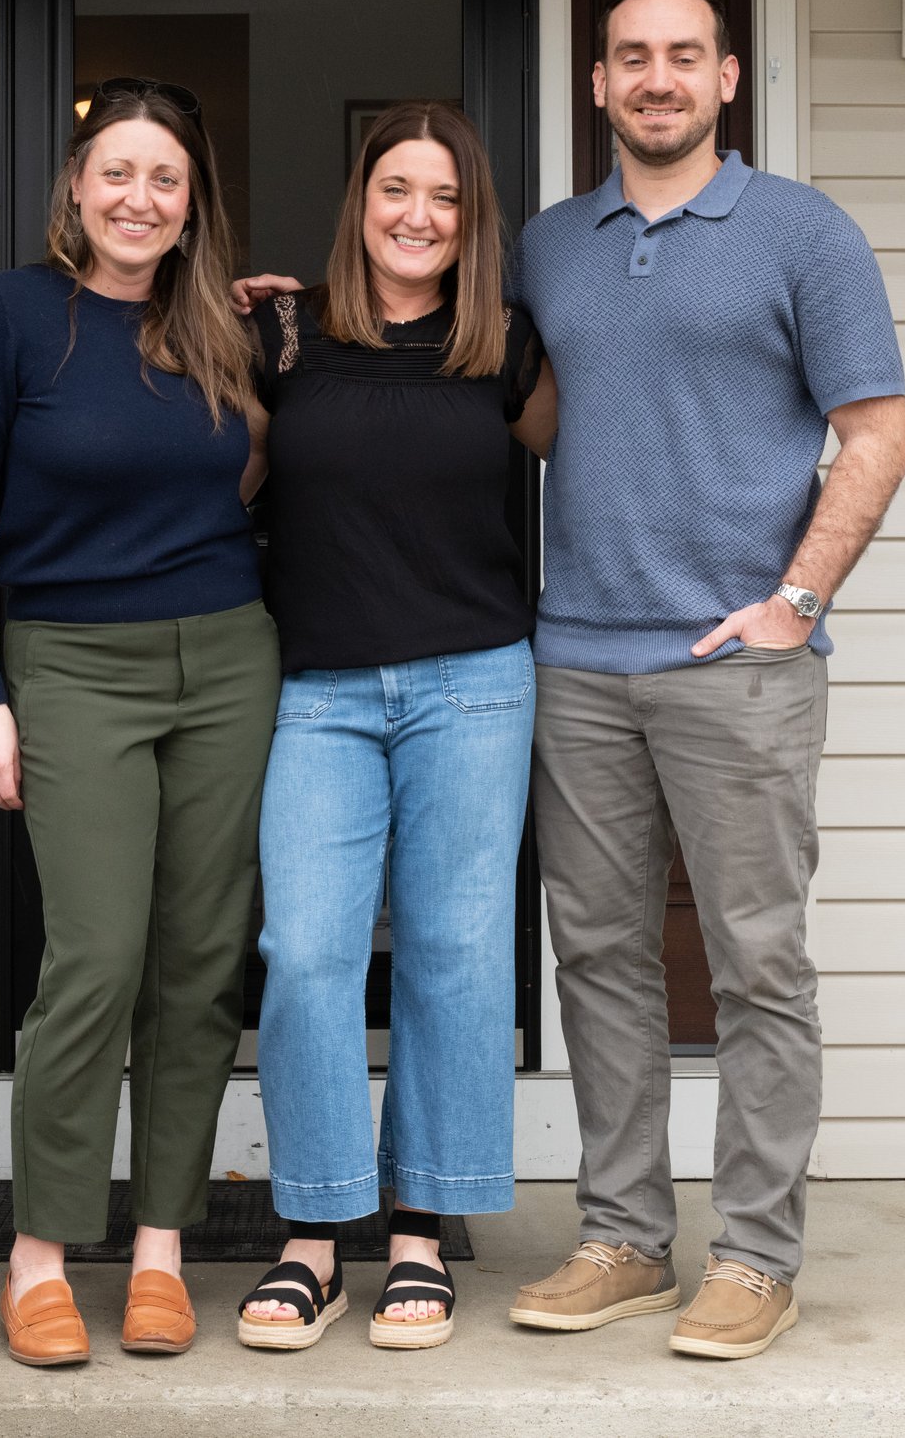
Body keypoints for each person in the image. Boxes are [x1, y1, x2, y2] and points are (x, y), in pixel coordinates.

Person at [506, 0, 905, 1360]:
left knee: (756, 963)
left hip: (738, 660)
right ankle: (623, 1232)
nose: (658, 76)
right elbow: (534, 415)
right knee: (602, 956)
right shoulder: (552, 244)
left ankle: (754, 1251)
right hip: (577, 657)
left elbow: (876, 434)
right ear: (600, 83)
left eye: (685, 54)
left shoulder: (803, 232)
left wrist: (797, 597)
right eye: (633, 56)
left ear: (726, 79)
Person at [0, 78, 279, 1368]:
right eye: (118, 173)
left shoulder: (224, 330)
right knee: (94, 957)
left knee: (199, 964)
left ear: (194, 206)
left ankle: (161, 1247)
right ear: (76, 186)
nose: (140, 198)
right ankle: (40, 1249)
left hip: (229, 658)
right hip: (69, 662)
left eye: (167, 179)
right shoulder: (10, 315)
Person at [226, 102, 552, 1353]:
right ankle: (311, 1232)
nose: (417, 216)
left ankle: (419, 1228)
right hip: (320, 689)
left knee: (455, 950)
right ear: (358, 201)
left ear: (474, 221)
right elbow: (220, 458)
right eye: (394, 190)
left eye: (446, 198)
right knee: (305, 952)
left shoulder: (508, 347)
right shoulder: (283, 330)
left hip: (474, 680)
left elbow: (599, 445)